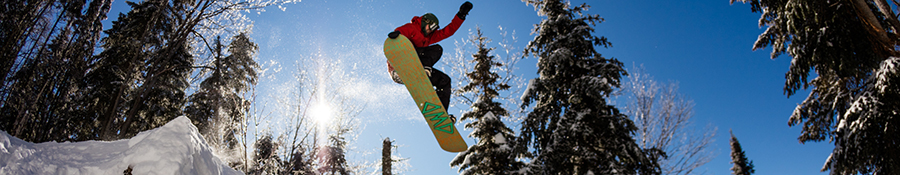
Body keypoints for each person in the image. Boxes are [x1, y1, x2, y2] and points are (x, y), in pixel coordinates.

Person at [387, 1, 472, 123]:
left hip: (417, 67)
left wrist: (461, 15)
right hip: (400, 66)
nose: (431, 31)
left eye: (434, 29)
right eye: (431, 28)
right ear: (425, 22)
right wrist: (397, 35)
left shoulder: (429, 37)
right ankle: (423, 71)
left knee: (445, 80)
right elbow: (401, 31)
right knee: (435, 49)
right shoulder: (413, 28)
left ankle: (441, 116)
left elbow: (448, 31)